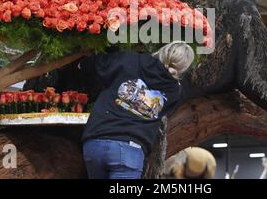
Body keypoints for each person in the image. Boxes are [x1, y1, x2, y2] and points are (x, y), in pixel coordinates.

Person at [80, 41, 195, 179]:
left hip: (95, 143)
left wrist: (82, 64)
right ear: (184, 68)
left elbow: (92, 64)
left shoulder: (130, 59)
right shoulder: (175, 92)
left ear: (163, 51)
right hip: (129, 150)